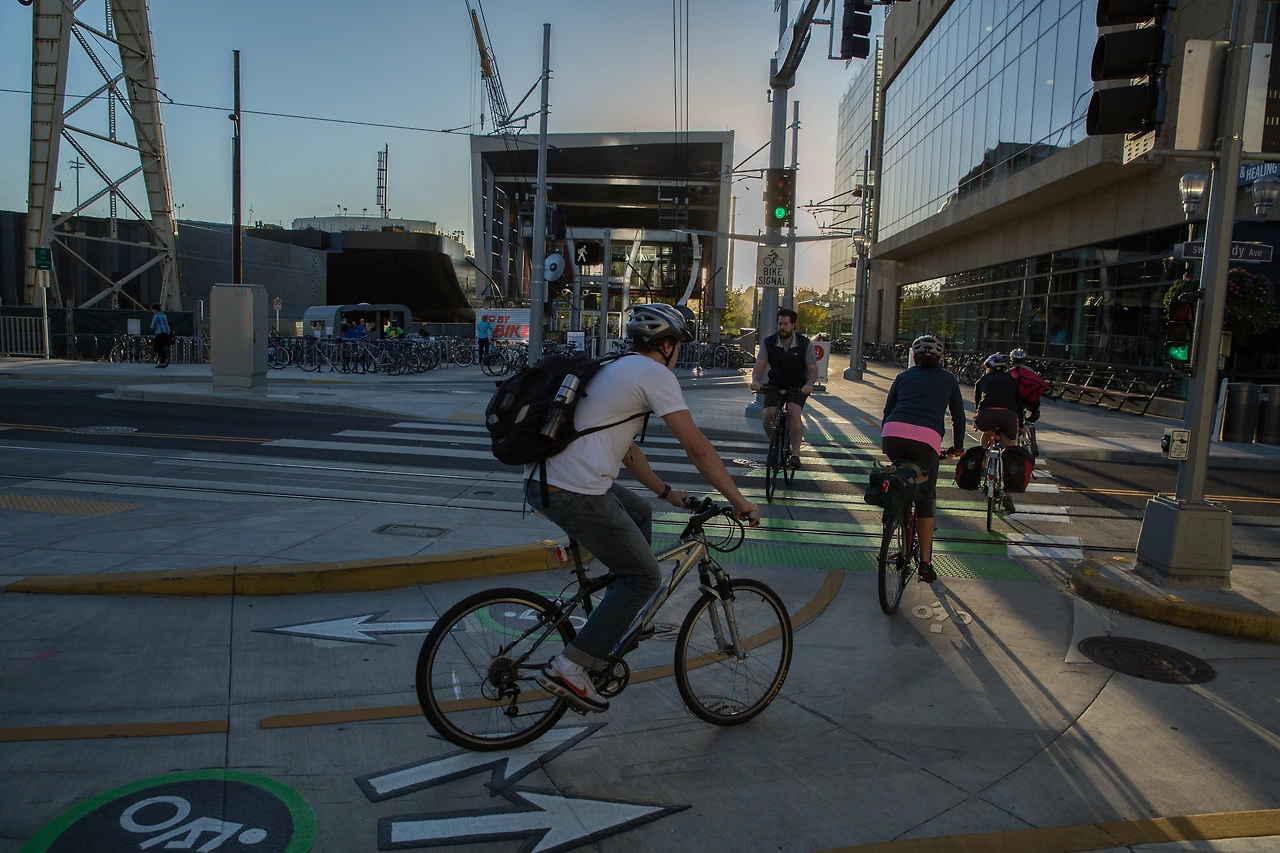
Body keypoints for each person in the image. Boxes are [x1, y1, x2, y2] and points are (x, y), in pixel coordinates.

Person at [531, 303, 761, 713]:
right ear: (668, 345)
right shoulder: (653, 373)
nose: (679, 355)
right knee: (644, 579)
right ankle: (572, 665)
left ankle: (624, 612)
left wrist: (665, 490)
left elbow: (627, 448)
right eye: (679, 347)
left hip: (548, 479)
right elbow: (697, 447)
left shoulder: (614, 364)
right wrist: (738, 501)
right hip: (574, 490)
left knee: (640, 513)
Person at [881, 335, 966, 584]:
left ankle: (892, 523)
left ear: (914, 357)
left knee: (898, 482)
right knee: (925, 497)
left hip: (893, 434)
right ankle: (926, 562)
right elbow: (958, 417)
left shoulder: (903, 377)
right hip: (925, 440)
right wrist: (958, 447)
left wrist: (888, 439)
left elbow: (888, 411)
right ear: (941, 359)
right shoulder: (949, 379)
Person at [749, 308, 817, 469]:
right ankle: (774, 442)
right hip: (776, 383)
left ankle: (795, 454)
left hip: (798, 386)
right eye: (780, 324)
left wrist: (809, 384)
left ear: (793, 325)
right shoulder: (769, 343)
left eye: (786, 324)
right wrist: (755, 380)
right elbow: (759, 366)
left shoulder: (804, 344)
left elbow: (813, 369)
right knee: (767, 415)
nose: (782, 327)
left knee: (794, 411)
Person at [974, 352, 1024, 513]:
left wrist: (978, 421)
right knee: (1009, 452)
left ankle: (983, 461)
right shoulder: (1012, 381)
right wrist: (1021, 425)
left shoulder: (982, 380)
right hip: (1008, 416)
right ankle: (1008, 496)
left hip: (986, 415)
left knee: (987, 432)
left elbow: (978, 404)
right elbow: (1019, 406)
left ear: (989, 368)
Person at [1008, 348, 1044, 425]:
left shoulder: (1010, 372)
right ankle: (1030, 426)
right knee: (1032, 415)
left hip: (1015, 400)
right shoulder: (1030, 371)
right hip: (1030, 400)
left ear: (1012, 360)